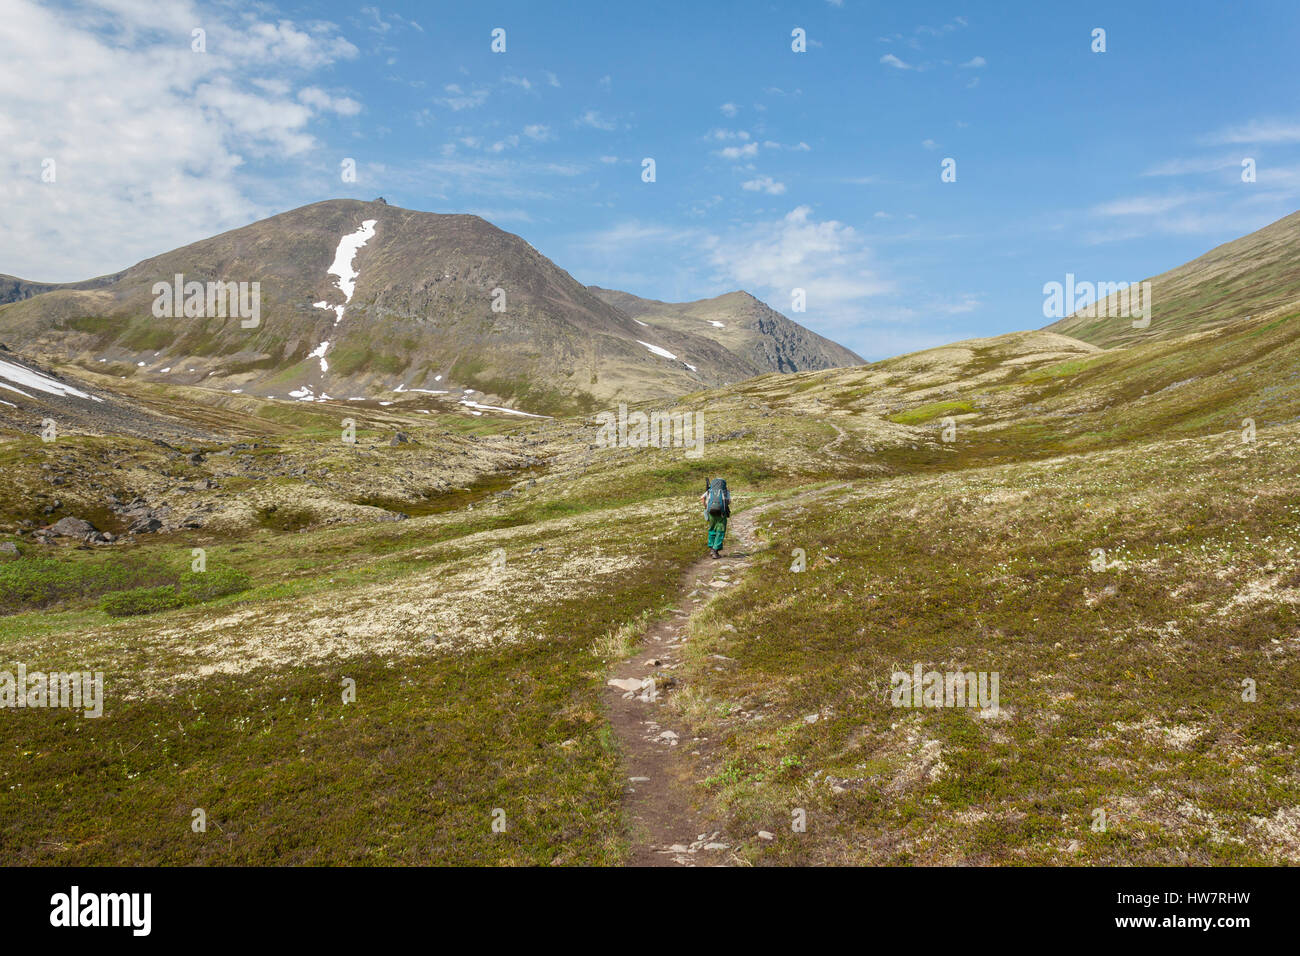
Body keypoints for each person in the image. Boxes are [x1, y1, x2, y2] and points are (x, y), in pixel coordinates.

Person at [699, 477, 731, 558]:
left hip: (711, 512)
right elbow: (729, 501)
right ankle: (715, 550)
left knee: (712, 529)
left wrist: (706, 507)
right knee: (720, 530)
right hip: (721, 513)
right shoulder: (725, 491)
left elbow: (702, 498)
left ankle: (711, 547)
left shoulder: (710, 490)